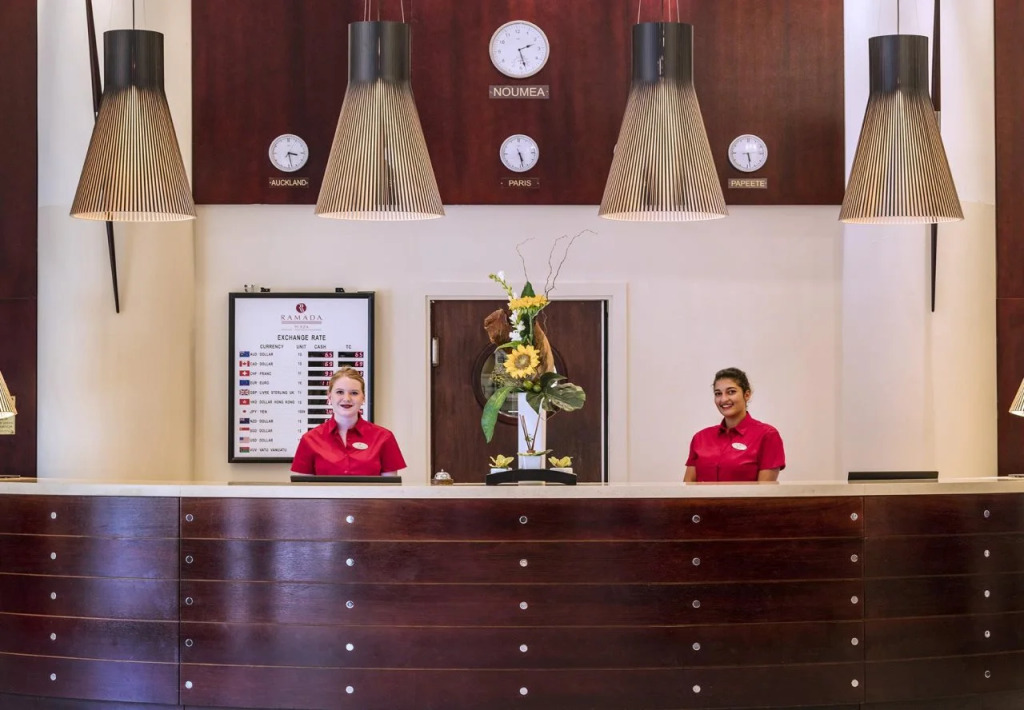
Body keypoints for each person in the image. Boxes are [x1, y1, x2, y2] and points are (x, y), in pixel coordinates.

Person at [291, 367, 406, 476]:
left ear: (363, 398)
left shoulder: (384, 438)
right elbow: (304, 488)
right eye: (340, 392)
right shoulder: (309, 440)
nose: (346, 398)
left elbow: (390, 488)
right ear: (329, 397)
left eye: (354, 393)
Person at [684, 367, 785, 482]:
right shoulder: (700, 438)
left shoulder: (767, 435)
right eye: (718, 393)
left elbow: (765, 490)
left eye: (731, 392)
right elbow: (687, 488)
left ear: (747, 395)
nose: (723, 399)